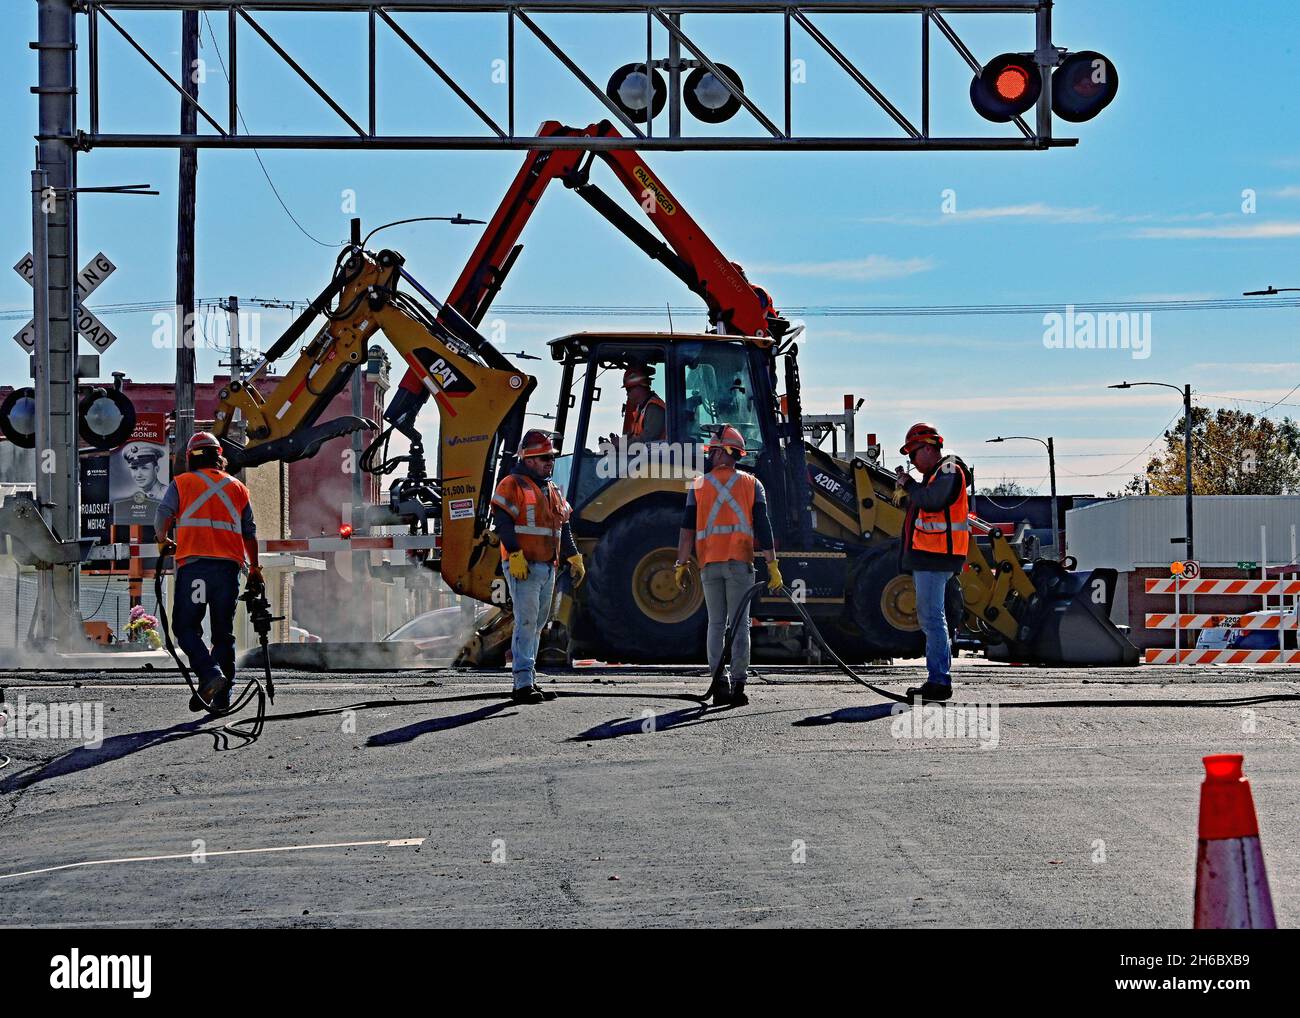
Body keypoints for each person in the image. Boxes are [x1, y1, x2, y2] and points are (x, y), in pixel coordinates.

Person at [154, 431, 262, 714]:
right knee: (223, 634)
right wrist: (256, 568)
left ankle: (210, 673)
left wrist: (163, 539)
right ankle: (222, 697)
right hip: (228, 570)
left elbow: (163, 514)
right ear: (219, 457)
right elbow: (249, 532)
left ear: (190, 458)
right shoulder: (238, 488)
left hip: (195, 567)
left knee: (186, 628)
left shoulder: (182, 483)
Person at [675, 424, 781, 707]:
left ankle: (718, 684)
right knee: (739, 625)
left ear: (724, 452)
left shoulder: (698, 485)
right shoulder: (753, 484)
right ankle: (738, 686)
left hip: (709, 564)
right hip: (739, 564)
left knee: (716, 624)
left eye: (713, 450)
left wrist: (680, 563)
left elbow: (686, 531)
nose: (709, 455)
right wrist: (772, 565)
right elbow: (763, 526)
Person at [491, 430, 585, 705]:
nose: (549, 462)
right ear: (529, 459)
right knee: (527, 621)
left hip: (546, 567)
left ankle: (529, 679)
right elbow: (503, 522)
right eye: (544, 457)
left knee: (537, 624)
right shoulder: (512, 484)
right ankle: (522, 683)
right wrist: (516, 555)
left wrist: (574, 556)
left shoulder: (552, 489)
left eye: (551, 457)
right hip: (524, 566)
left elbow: (563, 526)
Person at [894, 422, 970, 703]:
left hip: (936, 557)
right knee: (932, 618)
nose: (912, 462)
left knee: (932, 619)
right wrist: (907, 494)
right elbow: (923, 506)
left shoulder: (949, 470)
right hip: (931, 556)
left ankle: (939, 681)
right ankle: (938, 678)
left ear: (928, 448)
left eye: (913, 455)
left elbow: (933, 501)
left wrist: (909, 485)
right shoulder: (935, 475)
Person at [620, 365, 667, 443]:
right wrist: (622, 442)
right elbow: (635, 435)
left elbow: (646, 439)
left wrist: (622, 445)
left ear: (639, 387)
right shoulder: (642, 408)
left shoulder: (653, 409)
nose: (627, 394)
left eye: (628, 390)